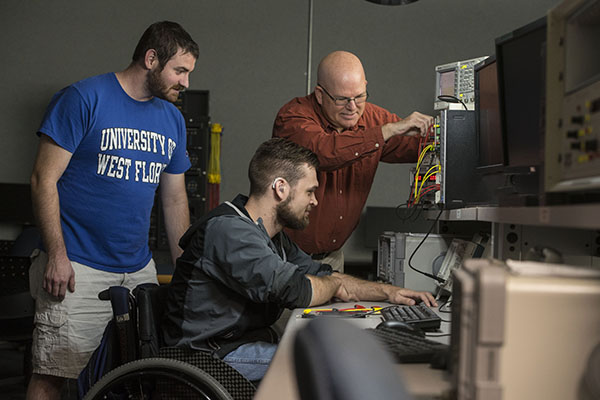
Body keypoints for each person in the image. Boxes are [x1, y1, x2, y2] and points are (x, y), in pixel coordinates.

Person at [162, 138, 437, 382]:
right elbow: (297, 289)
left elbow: (324, 276)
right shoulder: (231, 232)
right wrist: (329, 284)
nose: (315, 201)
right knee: (332, 362)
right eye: (309, 191)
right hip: (206, 358)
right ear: (280, 188)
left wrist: (390, 292)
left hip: (239, 344)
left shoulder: (271, 236)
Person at [27, 21, 198, 400]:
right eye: (180, 71)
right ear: (151, 59)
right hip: (76, 265)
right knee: (54, 372)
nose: (185, 82)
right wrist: (57, 255)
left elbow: (173, 199)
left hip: (137, 269)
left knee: (132, 377)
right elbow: (43, 180)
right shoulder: (84, 98)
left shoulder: (171, 120)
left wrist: (184, 264)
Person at [273, 50, 434, 272]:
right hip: (285, 258)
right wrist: (384, 132)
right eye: (342, 99)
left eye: (359, 96)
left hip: (333, 259)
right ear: (320, 95)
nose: (352, 107)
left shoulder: (372, 118)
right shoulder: (293, 118)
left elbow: (417, 146)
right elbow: (324, 152)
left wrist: (453, 132)